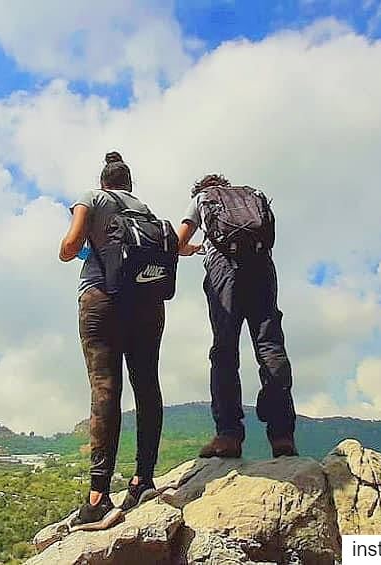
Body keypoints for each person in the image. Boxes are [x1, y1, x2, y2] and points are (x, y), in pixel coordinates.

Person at [59, 152, 165, 530]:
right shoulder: (146, 210)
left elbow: (70, 247)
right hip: (148, 304)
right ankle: (144, 481)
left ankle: (99, 497)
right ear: (129, 183)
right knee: (147, 386)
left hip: (102, 299)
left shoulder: (92, 197)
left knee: (105, 388)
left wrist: (70, 248)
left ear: (105, 181)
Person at [177, 173, 298, 459]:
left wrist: (194, 249)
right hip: (262, 267)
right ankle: (282, 436)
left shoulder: (202, 199)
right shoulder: (252, 195)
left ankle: (229, 435)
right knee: (270, 347)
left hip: (224, 269)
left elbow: (177, 242)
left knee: (225, 350)